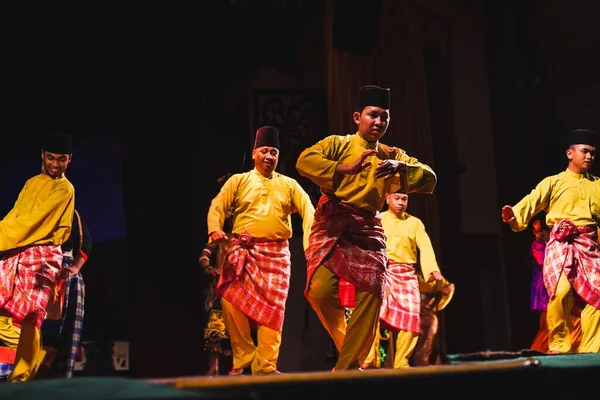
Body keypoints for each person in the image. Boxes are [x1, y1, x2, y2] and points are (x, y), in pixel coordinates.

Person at [295, 85, 437, 370]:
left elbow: (430, 178)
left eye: (384, 117)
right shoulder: (338, 144)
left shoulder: (390, 153)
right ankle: (351, 346)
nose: (378, 122)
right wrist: (343, 168)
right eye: (373, 115)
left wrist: (400, 168)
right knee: (320, 292)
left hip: (367, 228)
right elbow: (303, 160)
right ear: (357, 117)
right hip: (334, 222)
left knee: (371, 293)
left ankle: (346, 367)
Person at [207, 126, 315, 376]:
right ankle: (244, 354)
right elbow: (217, 205)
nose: (269, 157)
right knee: (229, 297)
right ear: (255, 153)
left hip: (277, 254)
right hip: (245, 250)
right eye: (265, 151)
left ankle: (266, 365)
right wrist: (215, 229)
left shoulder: (289, 185)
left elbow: (308, 209)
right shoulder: (239, 180)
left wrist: (309, 243)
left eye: (274, 152)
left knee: (274, 312)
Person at [501, 128, 600, 354]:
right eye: (585, 151)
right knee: (560, 293)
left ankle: (592, 350)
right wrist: (514, 214)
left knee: (598, 300)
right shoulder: (553, 182)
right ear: (569, 153)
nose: (589, 157)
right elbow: (532, 200)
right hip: (562, 244)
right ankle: (558, 345)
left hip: (589, 245)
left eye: (592, 153)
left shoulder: (597, 185)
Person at [0, 132, 75, 381]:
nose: (55, 164)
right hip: (16, 249)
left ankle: (22, 375)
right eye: (51, 157)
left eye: (61, 159)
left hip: (42, 255)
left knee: (31, 314)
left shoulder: (64, 189)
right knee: (4, 312)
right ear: (42, 155)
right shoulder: (31, 183)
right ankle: (37, 354)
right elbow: (16, 216)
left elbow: (34, 223)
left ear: (69, 160)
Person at [360, 192, 454, 369]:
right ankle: (371, 358)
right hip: (383, 271)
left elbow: (425, 246)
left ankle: (402, 360)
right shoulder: (377, 218)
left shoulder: (414, 223)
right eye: (397, 198)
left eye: (404, 199)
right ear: (387, 198)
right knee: (373, 315)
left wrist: (433, 270)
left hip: (406, 273)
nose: (401, 202)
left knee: (411, 317)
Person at [41, 208, 91, 378]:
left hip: (65, 271)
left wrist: (75, 267)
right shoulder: (34, 212)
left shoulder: (70, 213)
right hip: (39, 271)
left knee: (66, 333)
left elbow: (85, 242)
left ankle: (61, 380)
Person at [528, 219, 582, 353]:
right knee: (547, 325)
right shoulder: (538, 246)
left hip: (554, 285)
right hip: (544, 290)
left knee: (566, 319)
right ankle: (538, 352)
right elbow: (545, 262)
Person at [199, 176, 233, 376]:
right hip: (220, 292)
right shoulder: (219, 240)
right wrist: (208, 269)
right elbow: (204, 255)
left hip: (239, 292)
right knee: (215, 330)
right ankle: (214, 365)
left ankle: (240, 365)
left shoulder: (240, 240)